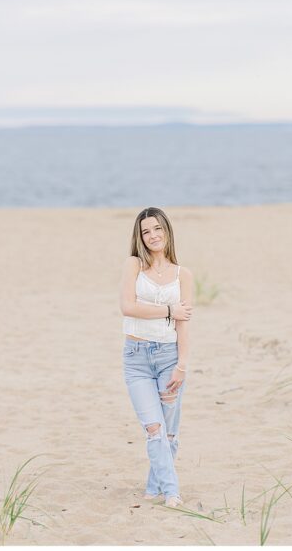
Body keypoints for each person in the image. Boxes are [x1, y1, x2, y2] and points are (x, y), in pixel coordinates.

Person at [119, 207, 194, 508]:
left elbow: (184, 322)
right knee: (154, 428)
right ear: (140, 237)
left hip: (168, 357)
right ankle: (172, 491)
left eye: (157, 229)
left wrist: (182, 364)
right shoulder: (133, 265)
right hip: (136, 357)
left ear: (167, 231)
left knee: (170, 432)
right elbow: (128, 307)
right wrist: (167, 310)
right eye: (146, 231)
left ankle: (154, 486)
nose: (152, 236)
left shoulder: (183, 275)